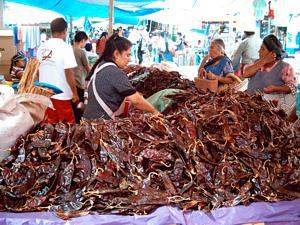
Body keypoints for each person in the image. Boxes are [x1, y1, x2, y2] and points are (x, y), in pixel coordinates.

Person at [83, 33, 159, 120]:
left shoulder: (102, 65)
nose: (129, 59)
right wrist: (155, 111)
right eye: (127, 55)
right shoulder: (113, 72)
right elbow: (136, 101)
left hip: (89, 120)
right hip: (97, 123)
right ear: (116, 54)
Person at [37, 17, 78, 124]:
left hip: (45, 94)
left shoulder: (41, 47)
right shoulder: (65, 48)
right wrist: (75, 93)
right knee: (68, 127)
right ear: (65, 31)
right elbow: (69, 73)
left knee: (50, 126)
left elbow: (38, 70)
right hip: (61, 94)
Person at [244, 34, 297, 114]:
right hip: (249, 107)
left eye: (262, 49)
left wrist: (276, 88)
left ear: (272, 54)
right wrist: (263, 61)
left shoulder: (285, 67)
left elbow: (293, 88)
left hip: (269, 111)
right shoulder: (257, 63)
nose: (259, 51)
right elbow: (245, 74)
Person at [72, 31, 91, 123]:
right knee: (79, 105)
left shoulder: (68, 50)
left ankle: (71, 123)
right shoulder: (81, 52)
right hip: (79, 82)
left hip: (69, 82)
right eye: (85, 41)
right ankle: (78, 123)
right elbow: (88, 68)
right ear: (82, 40)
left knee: (72, 104)